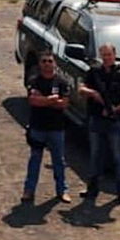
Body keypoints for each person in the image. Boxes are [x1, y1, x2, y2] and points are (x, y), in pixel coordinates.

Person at [78, 42, 120, 204]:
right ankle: (92, 188)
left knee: (118, 157)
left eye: (109, 54)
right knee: (95, 155)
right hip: (96, 119)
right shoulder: (95, 72)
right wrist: (94, 93)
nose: (106, 58)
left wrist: (115, 109)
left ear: (114, 55)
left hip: (115, 121)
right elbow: (81, 89)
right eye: (103, 55)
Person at [21, 50, 72, 204]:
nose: (47, 64)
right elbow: (33, 101)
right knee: (35, 159)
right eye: (44, 61)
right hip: (38, 127)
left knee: (59, 161)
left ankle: (62, 191)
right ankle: (29, 191)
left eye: (50, 61)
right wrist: (51, 100)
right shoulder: (34, 80)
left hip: (57, 128)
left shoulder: (62, 82)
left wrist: (43, 100)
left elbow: (64, 104)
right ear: (39, 64)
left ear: (55, 63)